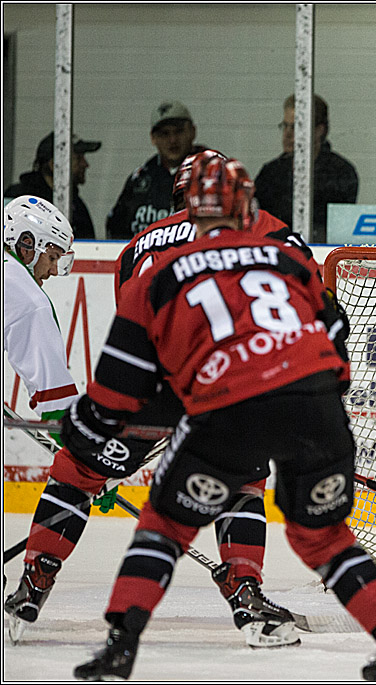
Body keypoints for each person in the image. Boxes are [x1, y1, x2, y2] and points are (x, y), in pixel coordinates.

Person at [67, 155, 376, 681]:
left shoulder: (157, 275)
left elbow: (117, 392)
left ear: (188, 205)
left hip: (230, 411)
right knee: (321, 536)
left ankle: (121, 647)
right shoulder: (287, 256)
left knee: (165, 527)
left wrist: (86, 431)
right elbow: (337, 332)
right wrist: (318, 400)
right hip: (317, 405)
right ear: (246, 204)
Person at [3, 150, 311, 648]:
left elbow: (133, 324)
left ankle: (29, 591)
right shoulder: (259, 228)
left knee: (77, 472)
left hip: (150, 388)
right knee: (242, 482)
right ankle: (248, 601)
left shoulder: (136, 247)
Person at [2, 195, 78, 425]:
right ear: (26, 246)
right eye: (52, 258)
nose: (54, 270)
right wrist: (85, 449)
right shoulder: (26, 297)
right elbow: (54, 399)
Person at [254, 93, 358, 243]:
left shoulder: (340, 172)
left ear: (319, 130)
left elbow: (337, 229)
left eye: (296, 127)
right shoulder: (270, 172)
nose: (288, 134)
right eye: (285, 126)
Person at [106, 100, 206, 239]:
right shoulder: (141, 178)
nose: (172, 140)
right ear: (153, 138)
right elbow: (116, 227)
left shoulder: (211, 172)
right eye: (164, 134)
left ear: (193, 132)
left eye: (179, 131)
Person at [4, 132, 101, 239]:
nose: (85, 164)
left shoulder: (76, 204)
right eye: (78, 158)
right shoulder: (19, 199)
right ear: (54, 164)